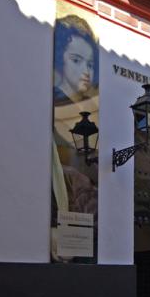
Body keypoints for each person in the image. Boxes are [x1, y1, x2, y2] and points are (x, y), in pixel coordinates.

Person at [51, 13, 100, 263]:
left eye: (90, 64)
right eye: (76, 60)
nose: (86, 72)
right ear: (59, 59)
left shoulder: (91, 111)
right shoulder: (53, 104)